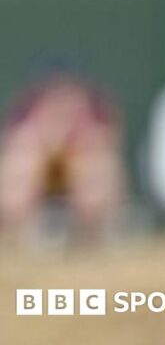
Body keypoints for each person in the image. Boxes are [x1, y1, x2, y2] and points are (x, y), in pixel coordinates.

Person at [0, 72, 126, 245]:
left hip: (85, 204)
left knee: (96, 168)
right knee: (22, 163)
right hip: (30, 208)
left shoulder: (91, 122)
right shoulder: (26, 125)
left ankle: (94, 230)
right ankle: (25, 230)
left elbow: (106, 146)